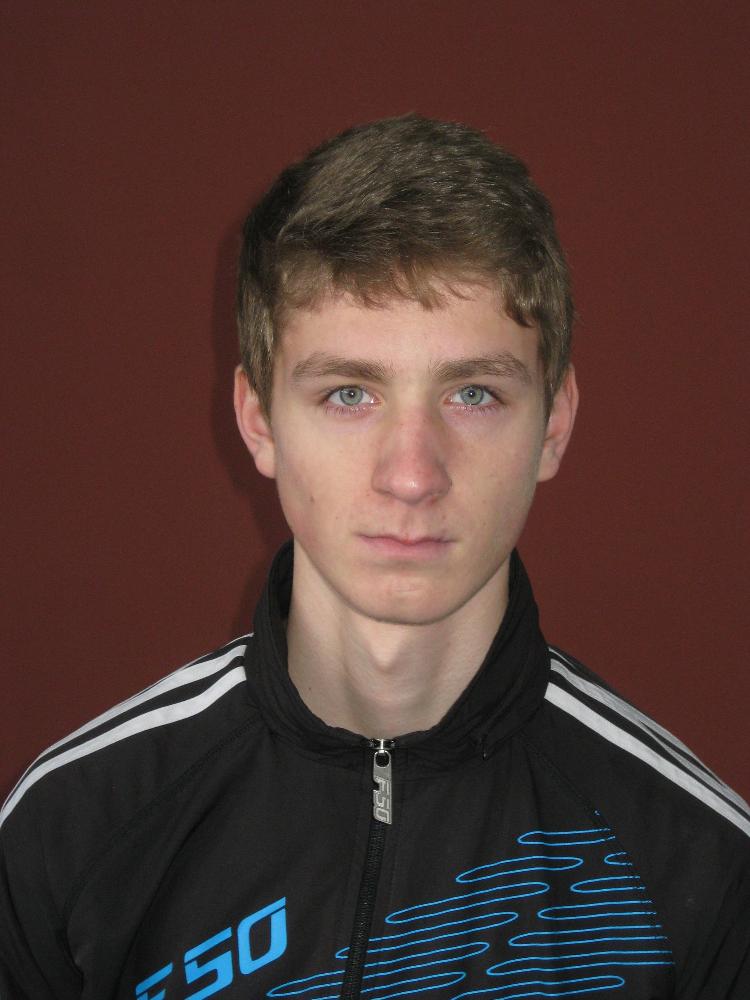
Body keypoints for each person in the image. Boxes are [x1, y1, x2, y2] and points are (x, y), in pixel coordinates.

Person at [1, 114, 747, 1000]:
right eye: (349, 393)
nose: (412, 475)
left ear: (554, 424)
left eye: (474, 394)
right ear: (257, 420)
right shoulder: (71, 829)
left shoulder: (702, 868)